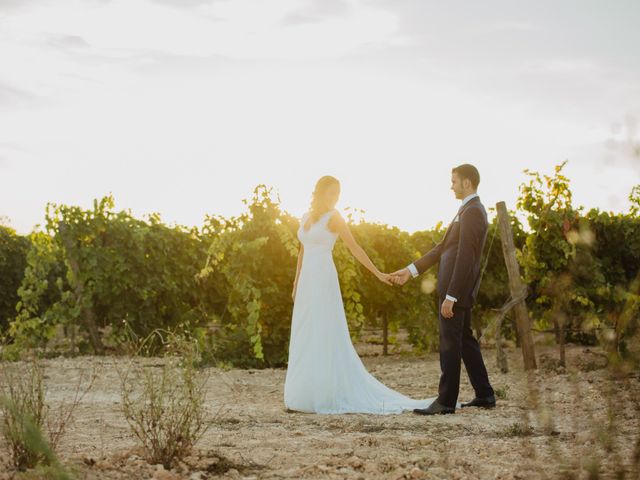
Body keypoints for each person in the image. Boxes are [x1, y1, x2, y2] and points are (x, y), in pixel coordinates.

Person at [284, 175, 434, 414]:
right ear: (320, 193)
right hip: (306, 282)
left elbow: (355, 249)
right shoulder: (305, 218)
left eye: (338, 194)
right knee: (305, 330)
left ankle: (324, 394)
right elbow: (302, 252)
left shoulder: (335, 218)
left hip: (323, 279)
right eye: (331, 193)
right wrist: (295, 282)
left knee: (324, 332)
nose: (334, 198)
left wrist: (377, 273)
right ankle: (303, 393)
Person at [390, 164, 496, 415]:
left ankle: (446, 402)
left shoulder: (472, 212)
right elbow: (441, 249)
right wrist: (411, 270)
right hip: (455, 289)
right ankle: (485, 394)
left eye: (454, 181)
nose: (451, 186)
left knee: (450, 343)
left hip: (455, 290)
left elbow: (465, 257)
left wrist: (451, 295)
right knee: (466, 342)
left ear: (467, 183)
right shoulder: (467, 210)